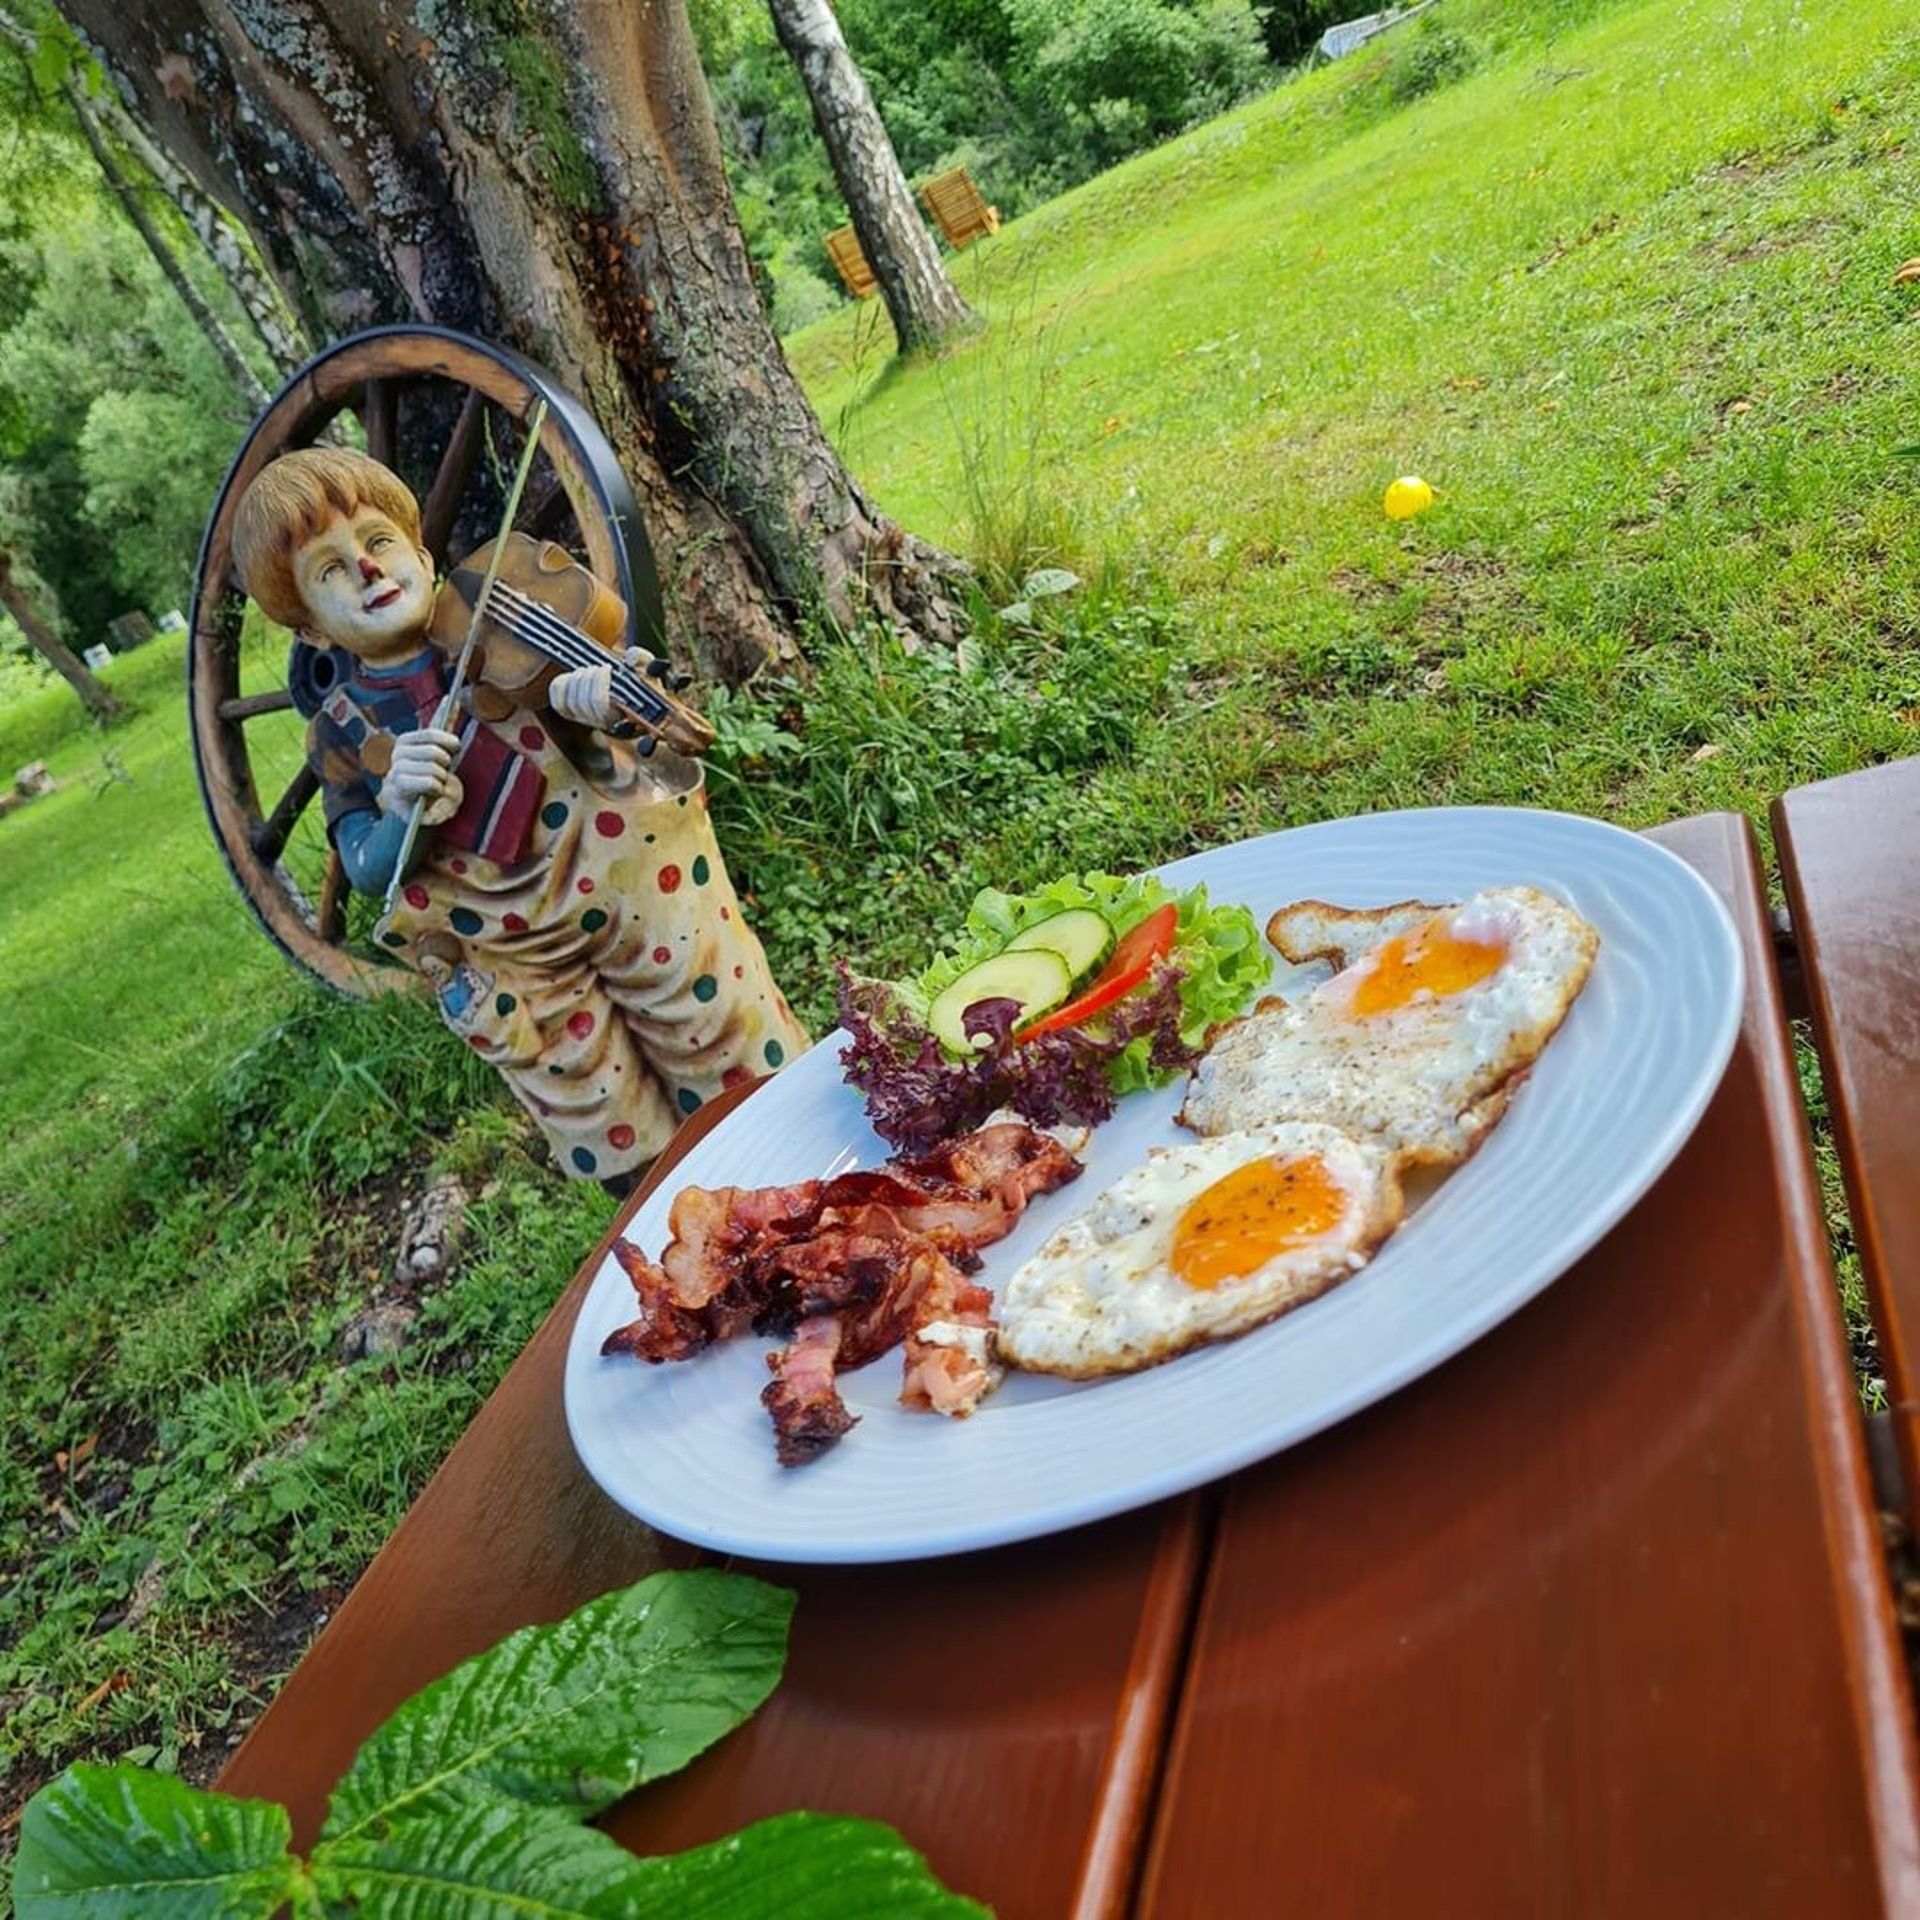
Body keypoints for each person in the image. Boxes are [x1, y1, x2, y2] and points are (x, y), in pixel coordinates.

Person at [232, 446, 808, 1185]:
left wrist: (598, 699)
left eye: (377, 543)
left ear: (419, 549)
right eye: (330, 570)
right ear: (310, 628)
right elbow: (370, 869)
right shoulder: (340, 730)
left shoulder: (504, 609)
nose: (367, 570)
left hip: (636, 891)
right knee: (599, 1103)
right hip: (512, 954)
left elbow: (610, 714)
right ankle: (691, 1229)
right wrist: (401, 811)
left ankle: (801, 1173)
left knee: (724, 1036)